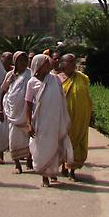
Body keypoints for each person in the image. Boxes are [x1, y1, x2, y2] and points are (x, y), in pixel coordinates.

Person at [25, 54, 72, 187]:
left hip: (54, 120)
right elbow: (28, 105)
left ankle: (52, 173)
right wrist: (28, 124)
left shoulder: (55, 79)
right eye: (46, 63)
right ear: (39, 65)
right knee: (42, 148)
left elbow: (61, 98)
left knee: (54, 145)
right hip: (40, 122)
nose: (49, 65)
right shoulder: (31, 82)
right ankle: (44, 177)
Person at [58, 54, 93, 180]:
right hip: (64, 119)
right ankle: (63, 166)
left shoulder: (82, 78)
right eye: (69, 62)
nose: (72, 64)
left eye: (74, 62)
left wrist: (91, 113)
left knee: (77, 144)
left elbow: (87, 97)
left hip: (80, 119)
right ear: (62, 64)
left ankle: (72, 171)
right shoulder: (57, 79)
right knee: (63, 142)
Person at [1, 51, 33, 173]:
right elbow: (3, 90)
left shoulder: (30, 74)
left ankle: (29, 159)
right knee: (13, 138)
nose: (23, 63)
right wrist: (0, 108)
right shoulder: (10, 75)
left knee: (29, 138)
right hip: (13, 112)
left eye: (25, 60)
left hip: (26, 111)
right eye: (20, 61)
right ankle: (17, 164)